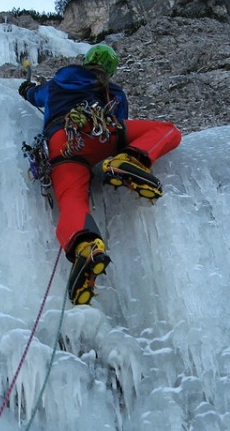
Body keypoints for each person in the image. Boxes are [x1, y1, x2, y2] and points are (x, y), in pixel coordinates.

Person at [18, 43, 182, 305]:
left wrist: (27, 89)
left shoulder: (59, 81)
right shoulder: (113, 91)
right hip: (102, 133)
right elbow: (121, 118)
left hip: (63, 144)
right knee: (167, 129)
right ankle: (129, 160)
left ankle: (86, 248)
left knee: (71, 200)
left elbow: (36, 95)